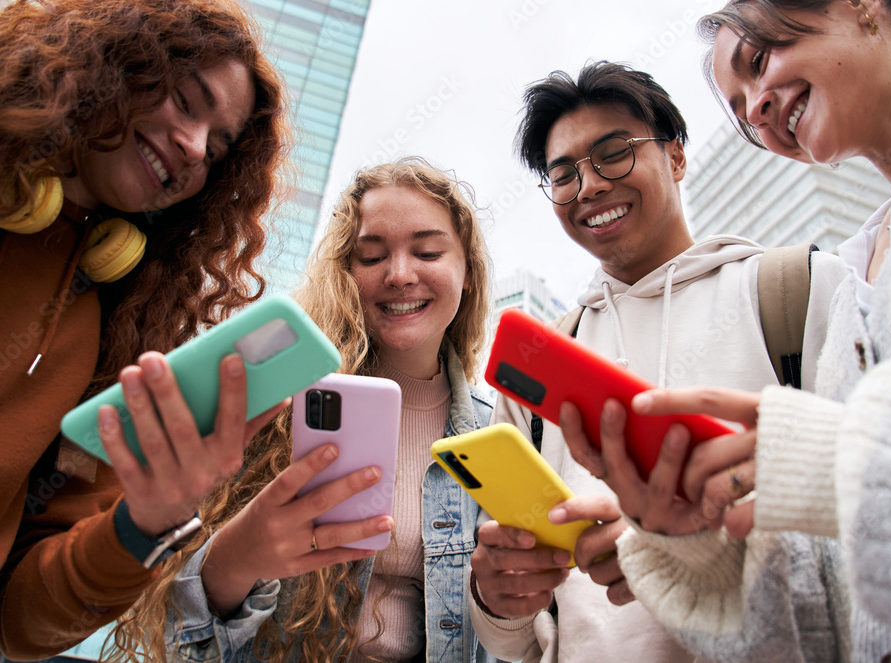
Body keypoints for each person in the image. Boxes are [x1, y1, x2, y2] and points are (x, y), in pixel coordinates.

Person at [578, 2, 891, 662]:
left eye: (755, 63)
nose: (755, 108)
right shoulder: (851, 286)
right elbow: (827, 620)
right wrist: (695, 538)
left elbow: (855, 474)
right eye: (739, 106)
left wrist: (846, 460)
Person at [467, 61, 847, 663]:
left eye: (613, 153)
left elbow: (882, 508)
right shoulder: (538, 366)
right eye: (563, 175)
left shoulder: (795, 293)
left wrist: (682, 545)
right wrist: (496, 600)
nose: (588, 186)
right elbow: (513, 637)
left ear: (675, 158)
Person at [114, 158, 500, 663]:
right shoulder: (276, 399)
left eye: (427, 251)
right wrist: (240, 554)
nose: (401, 275)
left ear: (467, 273)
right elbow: (176, 626)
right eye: (371, 256)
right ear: (344, 273)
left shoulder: (497, 431)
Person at [0, 0, 288, 657]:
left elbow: (22, 620)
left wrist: (142, 524)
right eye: (185, 100)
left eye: (215, 150)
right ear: (115, 62)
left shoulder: (117, 330)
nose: (192, 147)